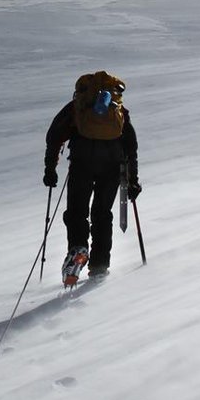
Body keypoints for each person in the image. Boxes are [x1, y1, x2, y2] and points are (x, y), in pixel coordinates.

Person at [43, 72, 140, 285]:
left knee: (77, 212)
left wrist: (50, 169)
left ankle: (78, 248)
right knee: (102, 214)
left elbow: (55, 136)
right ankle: (99, 266)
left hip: (82, 163)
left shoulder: (77, 107)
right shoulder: (118, 110)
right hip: (112, 166)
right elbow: (131, 146)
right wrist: (133, 180)